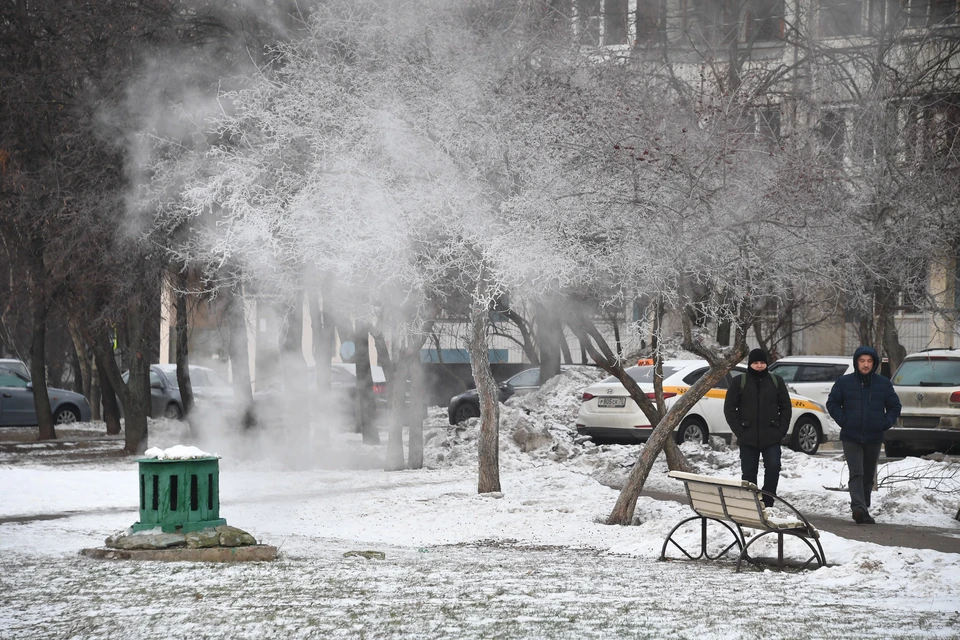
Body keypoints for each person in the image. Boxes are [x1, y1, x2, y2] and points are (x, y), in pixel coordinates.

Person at [826, 345, 901, 525]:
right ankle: (858, 508)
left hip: (873, 436)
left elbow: (894, 407)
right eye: (862, 361)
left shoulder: (883, 383)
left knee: (868, 475)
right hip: (851, 435)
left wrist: (884, 423)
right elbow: (832, 404)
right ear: (856, 362)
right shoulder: (844, 382)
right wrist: (845, 421)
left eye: (869, 361)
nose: (865, 365)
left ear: (874, 363)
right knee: (856, 472)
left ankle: (863, 508)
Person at [724, 348, 792, 508]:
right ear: (750, 364)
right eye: (756, 363)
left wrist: (781, 430)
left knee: (774, 468)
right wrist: (740, 431)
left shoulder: (776, 381)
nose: (759, 366)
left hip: (771, 435)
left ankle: (768, 501)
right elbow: (729, 409)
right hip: (748, 436)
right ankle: (751, 504)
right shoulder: (739, 382)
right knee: (748, 473)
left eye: (762, 362)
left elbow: (786, 408)